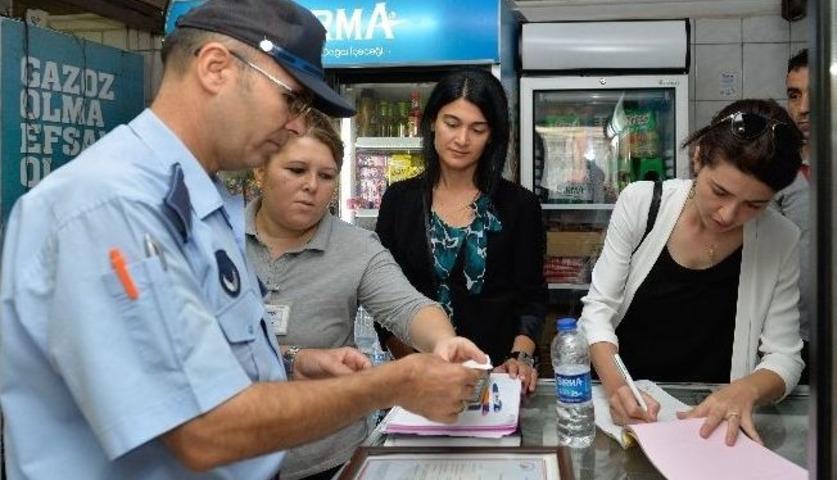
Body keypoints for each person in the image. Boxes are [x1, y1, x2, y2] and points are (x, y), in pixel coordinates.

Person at [0, 1, 485, 478]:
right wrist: (390, 384)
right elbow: (202, 429)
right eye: (291, 99)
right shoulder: (113, 208)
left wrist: (291, 366)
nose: (297, 124)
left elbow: (194, 359)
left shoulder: (200, 206)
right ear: (215, 68)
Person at [247, 109, 468, 480]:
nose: (312, 186)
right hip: (231, 456)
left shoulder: (357, 247)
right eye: (296, 170)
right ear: (259, 170)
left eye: (326, 176)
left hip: (326, 458)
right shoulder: (212, 237)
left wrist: (444, 342)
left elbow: (409, 306)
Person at [580, 99, 805, 447]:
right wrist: (619, 388)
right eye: (720, 192)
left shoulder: (781, 238)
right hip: (630, 409)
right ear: (699, 158)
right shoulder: (642, 204)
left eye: (754, 205)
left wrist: (745, 391)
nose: (728, 215)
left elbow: (785, 356)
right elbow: (597, 313)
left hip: (710, 424)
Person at [374, 69, 549, 393]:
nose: (462, 139)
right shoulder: (399, 201)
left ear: (493, 135)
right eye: (451, 123)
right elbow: (384, 300)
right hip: (417, 382)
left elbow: (532, 297)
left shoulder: (519, 206)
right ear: (431, 122)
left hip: (498, 380)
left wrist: (520, 356)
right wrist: (413, 366)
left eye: (477, 129)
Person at [775, 48, 837, 388]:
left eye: (818, 95)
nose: (803, 108)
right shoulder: (777, 170)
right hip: (798, 339)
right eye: (794, 95)